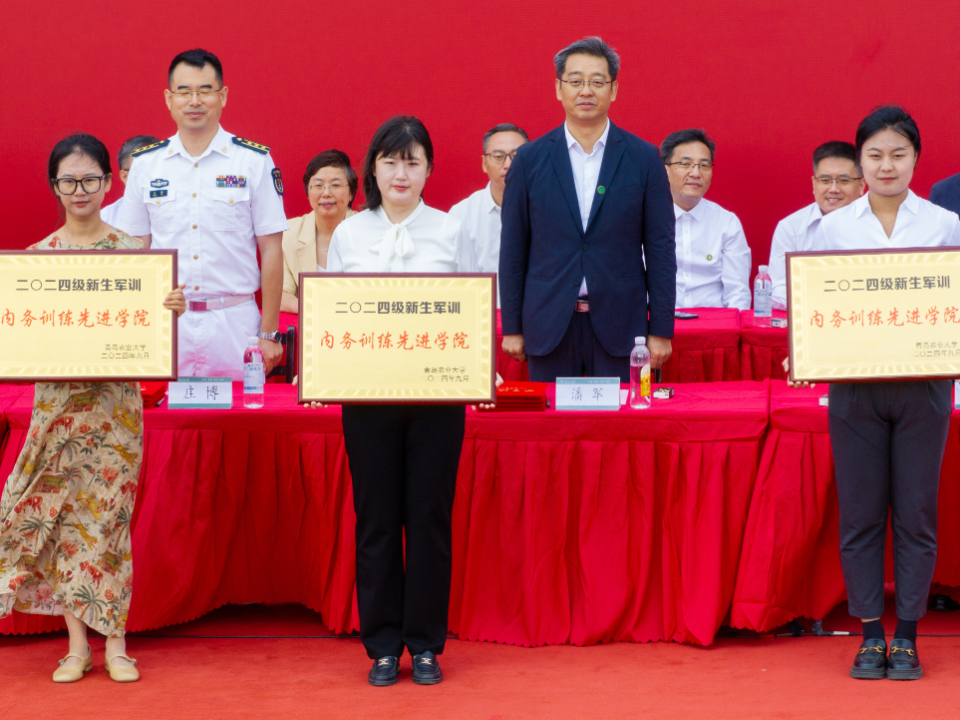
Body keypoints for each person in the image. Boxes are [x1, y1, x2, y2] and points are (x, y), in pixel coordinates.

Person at [0, 134, 185, 683]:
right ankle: (76, 647)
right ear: (54, 186)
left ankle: (117, 645)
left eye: (89, 179)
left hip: (114, 413)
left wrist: (169, 309)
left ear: (107, 182)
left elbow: (150, 335)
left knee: (107, 521)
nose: (79, 189)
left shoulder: (136, 256)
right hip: (57, 410)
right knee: (60, 522)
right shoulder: (36, 261)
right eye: (68, 180)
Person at [812, 105, 958, 681]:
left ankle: (908, 638)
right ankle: (871, 635)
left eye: (898, 154)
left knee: (916, 514)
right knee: (861, 513)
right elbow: (816, 302)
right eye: (875, 155)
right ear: (860, 161)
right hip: (855, 387)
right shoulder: (834, 227)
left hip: (925, 386)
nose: (887, 165)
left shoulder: (944, 224)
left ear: (916, 159)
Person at [325, 116, 473, 687]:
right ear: (374, 169)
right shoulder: (350, 233)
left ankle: (427, 644)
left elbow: (473, 309)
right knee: (378, 520)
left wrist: (473, 376)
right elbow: (333, 313)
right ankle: (383, 646)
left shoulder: (451, 229)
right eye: (390, 161)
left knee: (430, 519)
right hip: (368, 397)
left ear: (429, 169)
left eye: (412, 161)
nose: (400, 173)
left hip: (438, 396)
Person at [499, 37, 675, 382]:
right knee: (551, 418)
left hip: (623, 325)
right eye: (575, 81)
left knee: (622, 416)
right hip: (548, 324)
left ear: (613, 90)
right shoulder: (529, 160)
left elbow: (661, 248)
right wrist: (513, 326)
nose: (586, 91)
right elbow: (513, 249)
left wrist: (661, 329)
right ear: (558, 88)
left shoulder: (644, 158)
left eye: (597, 81)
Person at [116, 48, 288, 380]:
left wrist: (268, 333)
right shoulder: (146, 164)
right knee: (163, 411)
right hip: (167, 323)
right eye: (184, 91)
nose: (194, 101)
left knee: (241, 411)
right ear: (169, 99)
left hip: (235, 324)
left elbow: (271, 249)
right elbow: (135, 250)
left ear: (222, 96)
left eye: (205, 90)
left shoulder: (252, 161)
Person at [661, 129, 751, 310]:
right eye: (685, 164)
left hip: (714, 322)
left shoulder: (726, 223)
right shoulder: (642, 218)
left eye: (704, 165)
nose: (696, 173)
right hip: (658, 321)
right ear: (665, 169)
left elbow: (737, 293)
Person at [768, 141, 864, 308]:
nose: (833, 189)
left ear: (861, 185)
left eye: (843, 180)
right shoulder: (790, 228)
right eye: (825, 180)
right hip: (810, 316)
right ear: (814, 184)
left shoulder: (879, 224)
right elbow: (779, 289)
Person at [449, 123, 529, 308]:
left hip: (534, 318)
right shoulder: (461, 215)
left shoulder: (549, 210)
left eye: (517, 156)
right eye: (498, 157)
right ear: (484, 163)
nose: (508, 165)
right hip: (479, 315)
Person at [280, 150, 358, 314]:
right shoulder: (289, 233)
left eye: (335, 185)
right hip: (312, 321)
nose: (326, 193)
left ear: (351, 193)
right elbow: (280, 294)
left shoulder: (371, 231)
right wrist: (316, 309)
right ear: (308, 193)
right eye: (318, 186)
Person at [100, 135, 161, 227]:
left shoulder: (181, 212)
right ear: (125, 176)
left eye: (159, 169)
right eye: (142, 170)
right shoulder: (106, 220)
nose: (153, 177)